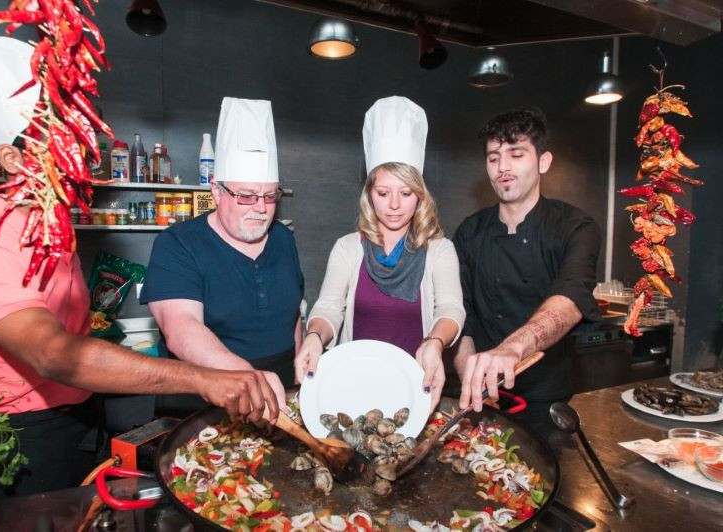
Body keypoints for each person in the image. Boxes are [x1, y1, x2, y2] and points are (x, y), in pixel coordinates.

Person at [0, 37, 279, 498]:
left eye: (81, 141)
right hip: (15, 439)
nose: (84, 162)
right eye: (62, 146)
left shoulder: (57, 235)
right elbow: (55, 354)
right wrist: (202, 376)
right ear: (13, 158)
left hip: (80, 417)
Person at [295, 96, 466, 409]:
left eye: (406, 193)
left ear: (421, 196)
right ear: (369, 193)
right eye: (383, 193)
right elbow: (330, 307)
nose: (395, 205)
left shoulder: (440, 251)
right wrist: (315, 336)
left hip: (415, 386)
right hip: (352, 385)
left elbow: (451, 309)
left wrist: (434, 342)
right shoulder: (348, 248)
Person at [140, 97, 304, 412]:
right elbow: (181, 327)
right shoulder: (178, 244)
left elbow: (294, 314)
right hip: (202, 401)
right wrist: (243, 374)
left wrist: (300, 372)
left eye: (270, 195)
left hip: (280, 397)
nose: (260, 208)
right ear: (216, 191)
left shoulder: (283, 239)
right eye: (246, 195)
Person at [452, 107, 601, 427]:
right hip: (481, 398)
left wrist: (511, 350)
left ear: (543, 161)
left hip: (545, 398)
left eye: (516, 154)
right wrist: (471, 378)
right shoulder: (469, 231)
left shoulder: (575, 227)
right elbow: (461, 315)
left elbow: (569, 301)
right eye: (493, 158)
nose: (502, 167)